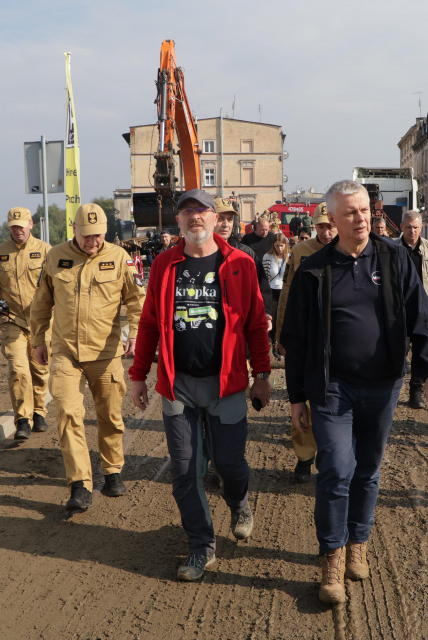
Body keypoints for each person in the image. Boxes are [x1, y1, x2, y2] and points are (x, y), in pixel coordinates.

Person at [282, 180, 428, 605]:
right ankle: (331, 558)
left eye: (365, 211)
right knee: (336, 470)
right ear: (332, 220)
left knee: (368, 470)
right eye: (350, 213)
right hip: (332, 388)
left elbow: (422, 317)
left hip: (383, 384)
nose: (360, 219)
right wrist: (296, 397)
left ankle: (359, 544)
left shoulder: (394, 259)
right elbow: (296, 339)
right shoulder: (314, 270)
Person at [129, 189, 271, 582]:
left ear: (215, 218)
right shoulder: (163, 265)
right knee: (185, 470)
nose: (195, 217)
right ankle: (200, 546)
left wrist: (262, 375)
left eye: (202, 210)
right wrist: (139, 374)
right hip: (180, 386)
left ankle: (239, 501)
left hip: (226, 384)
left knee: (229, 464)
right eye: (187, 211)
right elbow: (149, 323)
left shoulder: (239, 263)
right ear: (178, 222)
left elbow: (257, 323)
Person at [30, 203, 143, 514]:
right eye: (87, 235)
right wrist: (37, 340)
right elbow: (41, 302)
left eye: (98, 235)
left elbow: (136, 299)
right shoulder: (55, 256)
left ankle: (112, 471)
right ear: (75, 230)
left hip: (106, 353)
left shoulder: (119, 258)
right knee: (67, 412)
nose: (93, 241)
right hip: (65, 351)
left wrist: (135, 334)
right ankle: (80, 484)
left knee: (110, 415)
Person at [274, 203, 336, 483]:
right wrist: (280, 335)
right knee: (300, 398)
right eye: (322, 226)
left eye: (331, 225)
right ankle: (303, 457)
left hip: (335, 340)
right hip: (305, 338)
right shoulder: (299, 253)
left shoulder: (349, 251)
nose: (327, 231)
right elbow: (286, 294)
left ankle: (331, 455)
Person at [0, 207, 52, 440]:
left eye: (21, 226)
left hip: (40, 321)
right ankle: (23, 419)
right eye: (13, 226)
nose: (18, 230)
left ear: (31, 224)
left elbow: (57, 282)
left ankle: (39, 411)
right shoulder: (0, 253)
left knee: (40, 369)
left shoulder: (45, 251)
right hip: (11, 320)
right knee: (18, 369)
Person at [398, 210, 428, 409]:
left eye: (416, 227)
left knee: (421, 353)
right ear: (401, 227)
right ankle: (391, 389)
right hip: (400, 311)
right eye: (408, 227)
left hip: (426, 310)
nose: (412, 231)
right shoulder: (393, 250)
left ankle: (415, 393)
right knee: (399, 350)